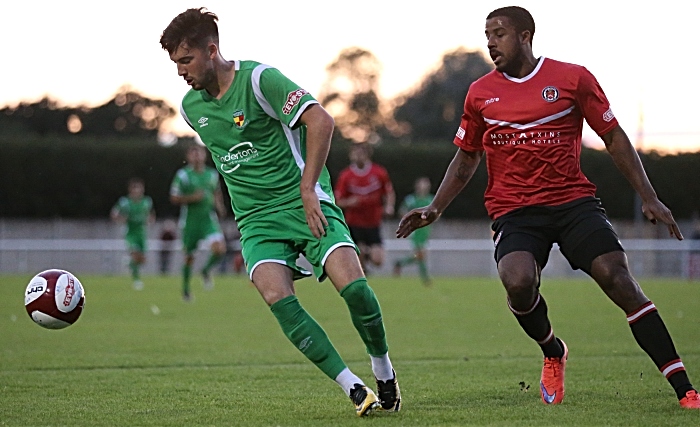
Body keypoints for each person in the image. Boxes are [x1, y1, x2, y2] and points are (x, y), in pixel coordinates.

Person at [397, 6, 699, 409]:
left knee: (617, 277)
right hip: (515, 211)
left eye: (499, 33)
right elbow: (466, 157)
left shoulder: (572, 78)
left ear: (525, 36)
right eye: (486, 34)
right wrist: (435, 207)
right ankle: (553, 350)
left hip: (573, 203)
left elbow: (613, 136)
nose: (490, 42)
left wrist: (648, 195)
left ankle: (686, 390)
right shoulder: (479, 93)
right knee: (518, 283)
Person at [159, 8, 400, 416]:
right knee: (276, 295)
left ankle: (384, 372)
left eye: (185, 60)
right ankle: (354, 388)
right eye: (174, 63)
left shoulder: (259, 80)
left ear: (211, 50)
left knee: (356, 289)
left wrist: (309, 188)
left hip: (302, 200)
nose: (180, 71)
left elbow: (321, 121)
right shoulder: (190, 108)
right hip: (256, 221)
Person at [170, 144, 227, 300]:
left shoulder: (211, 174)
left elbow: (216, 192)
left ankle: (206, 270)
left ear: (204, 155)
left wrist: (220, 207)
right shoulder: (183, 175)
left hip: (208, 219)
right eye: (193, 153)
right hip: (190, 221)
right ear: (188, 157)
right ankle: (186, 290)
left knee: (220, 249)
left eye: (199, 153)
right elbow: (174, 198)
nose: (196, 156)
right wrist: (191, 198)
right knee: (189, 257)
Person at [335, 143, 395, 272]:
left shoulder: (379, 172)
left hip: (373, 221)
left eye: (360, 153)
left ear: (367, 154)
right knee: (359, 255)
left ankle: (366, 254)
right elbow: (338, 201)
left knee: (378, 260)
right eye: (354, 153)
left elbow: (389, 192)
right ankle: (363, 277)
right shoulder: (346, 175)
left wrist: (389, 206)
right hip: (354, 222)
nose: (357, 156)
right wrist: (349, 202)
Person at [110, 177, 155, 290]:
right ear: (130, 190)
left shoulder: (146, 201)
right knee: (135, 253)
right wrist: (121, 219)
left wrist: (150, 220)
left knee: (142, 259)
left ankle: (129, 263)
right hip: (130, 233)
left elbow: (151, 214)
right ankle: (137, 281)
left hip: (141, 233)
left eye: (139, 188)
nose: (137, 191)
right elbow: (114, 214)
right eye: (135, 188)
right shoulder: (125, 202)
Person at [393, 177, 434, 286]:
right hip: (416, 230)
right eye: (422, 185)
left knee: (420, 255)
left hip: (425, 230)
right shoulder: (411, 199)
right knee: (421, 254)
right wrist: (410, 221)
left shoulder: (431, 199)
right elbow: (402, 211)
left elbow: (437, 213)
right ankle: (425, 279)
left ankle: (400, 263)